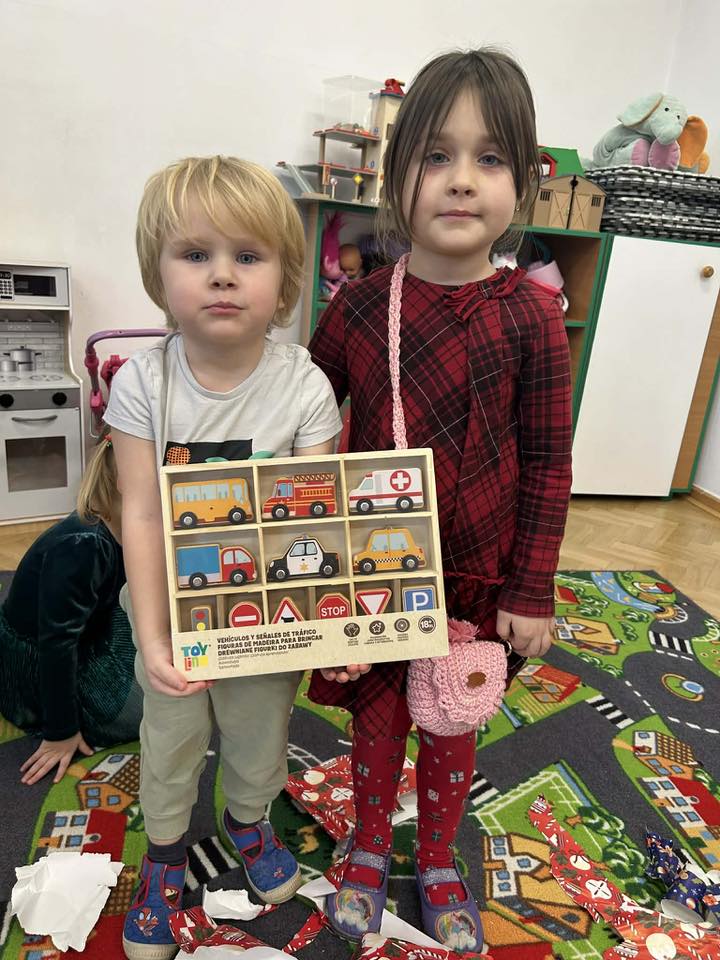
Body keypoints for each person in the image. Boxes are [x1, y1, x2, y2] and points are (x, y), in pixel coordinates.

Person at [308, 48, 573, 950]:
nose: (462, 180)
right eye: (436, 156)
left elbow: (549, 462)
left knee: (453, 719)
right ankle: (371, 843)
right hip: (379, 572)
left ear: (522, 180)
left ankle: (438, 855)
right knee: (379, 720)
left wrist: (530, 587)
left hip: (478, 581)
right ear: (397, 176)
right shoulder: (356, 307)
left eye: (489, 158)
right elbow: (305, 426)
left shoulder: (533, 316)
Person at [104, 155, 342, 960]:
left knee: (258, 733)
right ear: (158, 272)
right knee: (169, 740)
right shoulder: (144, 383)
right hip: (171, 609)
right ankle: (165, 858)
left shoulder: (305, 386)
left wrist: (328, 628)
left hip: (266, 617)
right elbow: (140, 511)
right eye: (195, 254)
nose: (222, 275)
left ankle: (248, 822)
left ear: (285, 278)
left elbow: (318, 522)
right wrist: (152, 638)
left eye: (247, 255)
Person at [0, 429, 141, 786]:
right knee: (148, 709)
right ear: (126, 481)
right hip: (41, 665)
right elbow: (56, 643)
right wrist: (60, 731)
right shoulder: (83, 546)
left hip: (93, 631)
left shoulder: (121, 527)